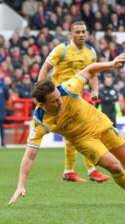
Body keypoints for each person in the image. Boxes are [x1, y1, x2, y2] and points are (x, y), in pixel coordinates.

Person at [8, 53, 125, 207]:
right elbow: (29, 156)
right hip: (83, 140)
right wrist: (21, 184)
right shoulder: (40, 122)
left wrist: (111, 64)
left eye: (58, 96)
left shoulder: (68, 88)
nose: (59, 101)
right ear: (42, 104)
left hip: (100, 123)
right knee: (115, 166)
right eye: (54, 101)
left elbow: (90, 69)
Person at [38, 20, 109, 183]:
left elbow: (94, 73)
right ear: (71, 34)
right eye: (77, 32)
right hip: (60, 99)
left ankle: (70, 171)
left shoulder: (91, 52)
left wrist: (95, 91)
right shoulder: (61, 50)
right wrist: (41, 93)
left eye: (84, 31)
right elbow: (45, 68)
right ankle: (89, 170)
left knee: (75, 134)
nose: (81, 34)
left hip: (77, 98)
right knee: (81, 132)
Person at [0, 74, 9, 147]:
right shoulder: (3, 85)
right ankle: (3, 142)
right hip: (1, 108)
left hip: (1, 109)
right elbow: (7, 96)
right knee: (2, 126)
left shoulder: (3, 85)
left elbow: (7, 96)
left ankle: (3, 142)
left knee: (1, 126)